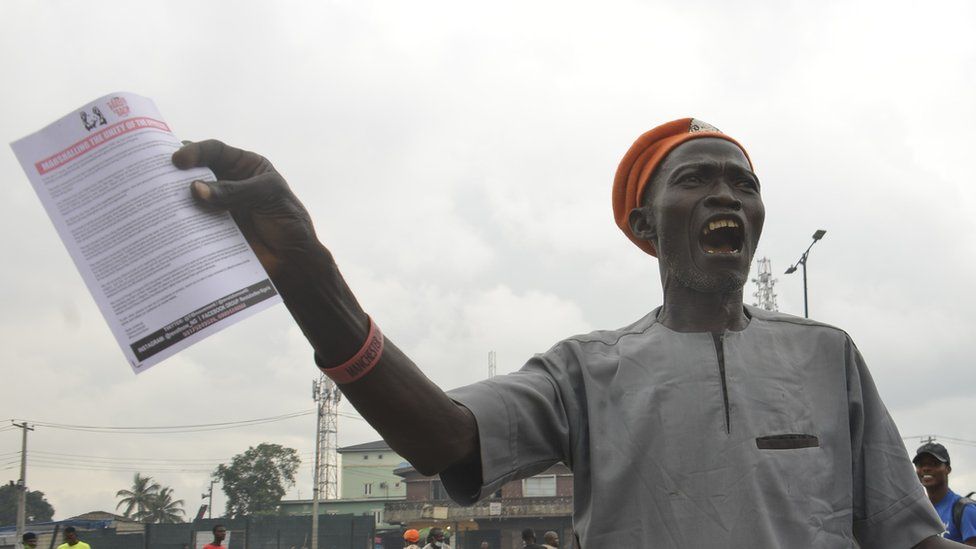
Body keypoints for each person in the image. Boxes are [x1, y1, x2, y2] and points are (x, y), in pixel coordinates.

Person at [173, 119, 958, 547]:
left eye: (744, 184)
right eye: (698, 179)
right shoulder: (588, 371)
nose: (728, 194)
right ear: (646, 228)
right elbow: (442, 437)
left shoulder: (830, 357)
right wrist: (309, 273)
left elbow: (910, 540)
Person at [914, 442, 976, 545]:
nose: (926, 468)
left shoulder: (965, 510)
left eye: (934, 463)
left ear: (948, 469)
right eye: (921, 464)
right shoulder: (920, 512)